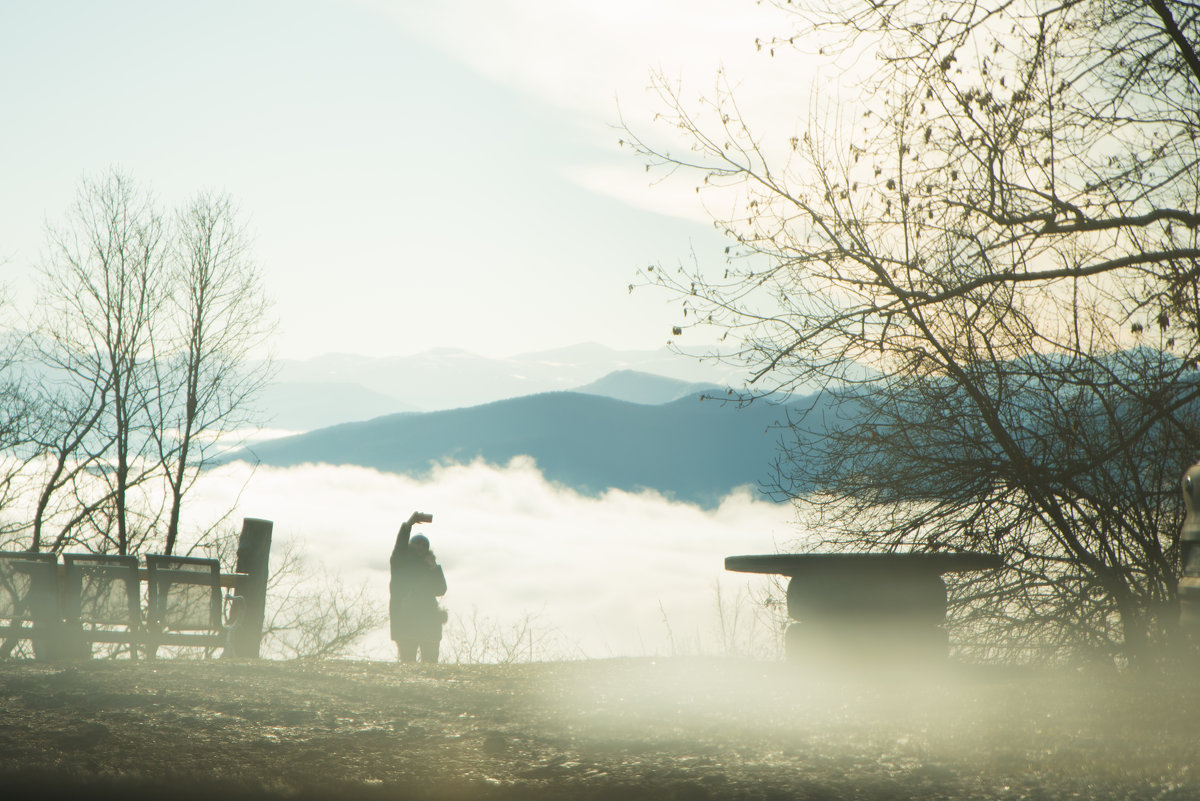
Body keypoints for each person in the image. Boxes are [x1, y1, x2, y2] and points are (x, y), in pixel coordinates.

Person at [389, 511, 447, 662]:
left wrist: (434, 568)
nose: (421, 547)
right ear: (410, 545)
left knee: (430, 665)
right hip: (406, 619)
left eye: (424, 545)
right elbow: (400, 545)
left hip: (428, 621)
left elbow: (441, 589)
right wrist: (408, 525)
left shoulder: (429, 566)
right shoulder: (401, 563)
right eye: (418, 544)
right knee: (408, 663)